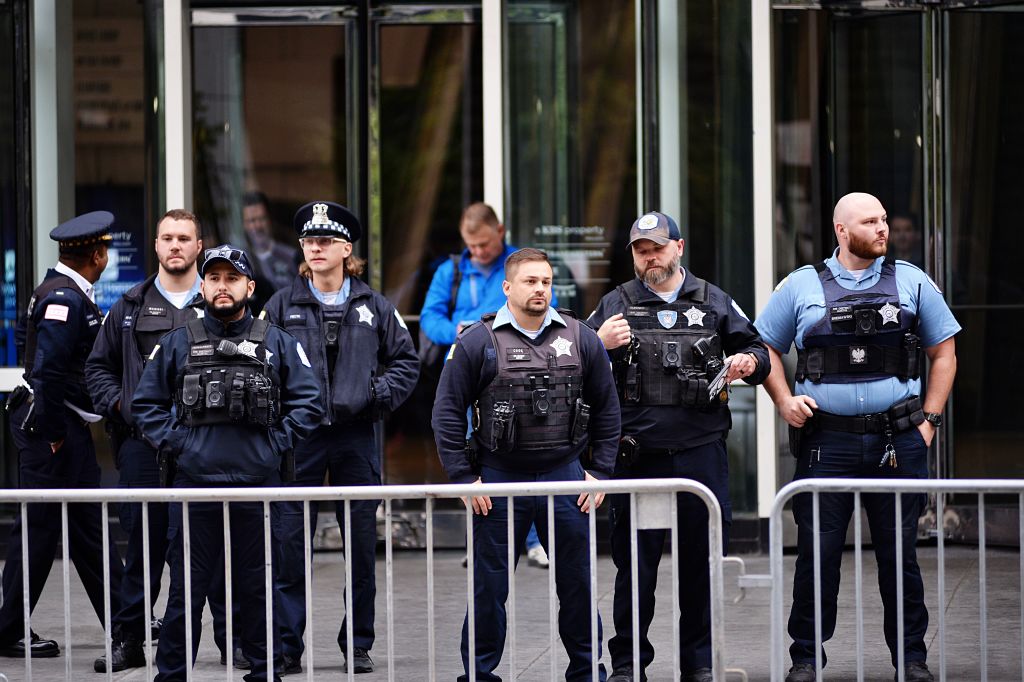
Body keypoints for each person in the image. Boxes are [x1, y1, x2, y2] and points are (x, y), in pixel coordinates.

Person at [755, 192, 959, 682]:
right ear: (841, 230)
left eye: (884, 219)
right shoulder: (801, 285)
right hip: (827, 442)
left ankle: (911, 659)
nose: (882, 228)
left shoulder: (911, 280)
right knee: (817, 557)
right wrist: (783, 401)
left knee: (900, 556)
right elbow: (763, 348)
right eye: (870, 221)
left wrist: (929, 422)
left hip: (898, 440)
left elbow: (945, 353)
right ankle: (806, 659)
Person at [586, 211, 770, 682]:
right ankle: (628, 664)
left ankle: (700, 663)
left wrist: (747, 361)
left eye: (658, 248)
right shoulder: (615, 303)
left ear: (679, 247)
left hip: (699, 454)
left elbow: (761, 352)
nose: (650, 257)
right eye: (641, 251)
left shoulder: (714, 300)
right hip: (637, 458)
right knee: (635, 569)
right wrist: (598, 343)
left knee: (701, 565)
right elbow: (575, 362)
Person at [132, 244, 322, 682]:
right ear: (203, 287)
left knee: (259, 592)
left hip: (258, 489)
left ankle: (265, 673)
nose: (222, 286)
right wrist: (182, 443)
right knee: (186, 594)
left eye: (232, 278)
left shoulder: (277, 341)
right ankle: (171, 676)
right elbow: (145, 405)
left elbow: (310, 402)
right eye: (214, 278)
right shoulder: (178, 342)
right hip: (195, 488)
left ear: (249, 287)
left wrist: (275, 444)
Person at [432, 248, 620, 682]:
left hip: (565, 477)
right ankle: (479, 675)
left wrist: (601, 472)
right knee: (488, 589)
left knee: (578, 585)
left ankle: (587, 673)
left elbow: (608, 408)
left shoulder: (581, 337)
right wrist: (463, 478)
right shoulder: (476, 341)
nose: (540, 289)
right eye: (530, 281)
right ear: (507, 287)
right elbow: (446, 412)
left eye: (546, 282)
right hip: (498, 480)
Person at [262, 201, 419, 674]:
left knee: (361, 551)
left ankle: (358, 644)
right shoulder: (281, 305)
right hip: (301, 439)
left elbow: (406, 362)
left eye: (326, 241)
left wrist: (375, 394)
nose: (316, 248)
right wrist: (284, 414)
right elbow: (260, 365)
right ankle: (287, 646)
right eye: (309, 241)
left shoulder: (374, 306)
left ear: (346, 249)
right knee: (290, 547)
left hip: (356, 437)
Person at [0, 212, 125, 658]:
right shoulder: (64, 298)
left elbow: (32, 347)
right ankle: (8, 630)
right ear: (97, 255)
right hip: (51, 430)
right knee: (38, 530)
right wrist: (53, 432)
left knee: (88, 526)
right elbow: (47, 371)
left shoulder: (61, 291)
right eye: (105, 250)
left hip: (63, 426)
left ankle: (123, 620)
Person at [85, 209, 205, 672]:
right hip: (142, 447)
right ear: (155, 246)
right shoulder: (130, 305)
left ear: (198, 246)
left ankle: (230, 641)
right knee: (142, 549)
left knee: (206, 546)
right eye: (167, 237)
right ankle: (130, 640)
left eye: (184, 238)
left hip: (201, 446)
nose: (175, 245)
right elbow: (98, 367)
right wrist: (121, 405)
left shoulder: (217, 300)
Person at [419, 202, 551, 568]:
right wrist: (457, 332)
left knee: (527, 450)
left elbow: (541, 309)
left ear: (500, 232)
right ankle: (484, 536)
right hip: (468, 370)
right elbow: (430, 316)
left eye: (484, 244)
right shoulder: (451, 270)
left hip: (519, 370)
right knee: (474, 453)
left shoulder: (522, 267)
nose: (478, 252)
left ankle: (534, 540)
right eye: (471, 245)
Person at [243, 191, 301, 292]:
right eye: (252, 220)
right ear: (244, 225)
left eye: (262, 218)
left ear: (270, 219)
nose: (258, 226)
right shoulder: (240, 262)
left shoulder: (291, 257)